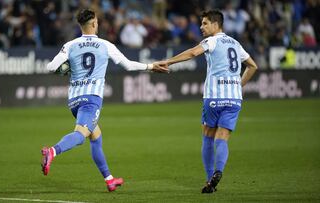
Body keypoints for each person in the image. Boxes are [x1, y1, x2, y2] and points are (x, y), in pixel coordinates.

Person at [41, 9, 168, 192]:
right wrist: (150, 66)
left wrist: (66, 70)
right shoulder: (105, 45)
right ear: (94, 24)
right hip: (91, 99)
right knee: (80, 136)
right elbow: (128, 65)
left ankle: (109, 179)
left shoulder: (70, 45)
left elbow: (51, 67)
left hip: (74, 100)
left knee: (96, 136)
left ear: (80, 25)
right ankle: (52, 151)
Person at [156, 10, 257, 193]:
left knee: (208, 136)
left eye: (204, 23)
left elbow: (193, 53)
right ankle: (219, 171)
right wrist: (238, 85)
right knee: (223, 138)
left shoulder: (212, 40)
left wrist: (168, 62)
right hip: (234, 98)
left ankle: (210, 178)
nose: (201, 27)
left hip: (214, 97)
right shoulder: (236, 43)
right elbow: (252, 66)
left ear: (216, 24)